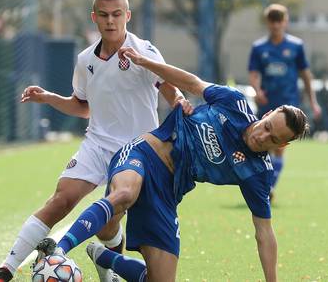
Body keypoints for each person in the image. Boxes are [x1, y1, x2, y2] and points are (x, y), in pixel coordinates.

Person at [37, 46, 310, 282]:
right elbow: (191, 82)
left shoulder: (257, 173)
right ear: (267, 113)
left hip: (168, 192)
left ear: (281, 146)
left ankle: (103, 256)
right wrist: (146, 63)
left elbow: (264, 232)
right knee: (125, 195)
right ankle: (58, 250)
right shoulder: (235, 103)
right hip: (145, 153)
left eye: (271, 138)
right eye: (266, 126)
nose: (261, 135)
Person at [0, 0, 190, 282]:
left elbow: (166, 83)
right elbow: (83, 106)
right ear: (94, 17)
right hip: (97, 144)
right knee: (61, 200)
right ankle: (6, 269)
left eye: (117, 14)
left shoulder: (144, 50)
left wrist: (179, 100)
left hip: (136, 151)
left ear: (127, 16)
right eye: (104, 15)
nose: (111, 21)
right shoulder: (85, 60)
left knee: (108, 226)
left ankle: (105, 263)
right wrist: (49, 97)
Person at [248, 3, 321, 200]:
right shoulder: (259, 48)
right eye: (272, 21)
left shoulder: (296, 46)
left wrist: (313, 101)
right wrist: (256, 90)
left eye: (279, 21)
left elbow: (306, 75)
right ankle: (264, 184)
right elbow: (253, 74)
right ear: (268, 23)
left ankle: (268, 187)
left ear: (285, 22)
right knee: (262, 144)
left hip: (288, 105)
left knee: (279, 146)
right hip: (267, 106)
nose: (276, 25)